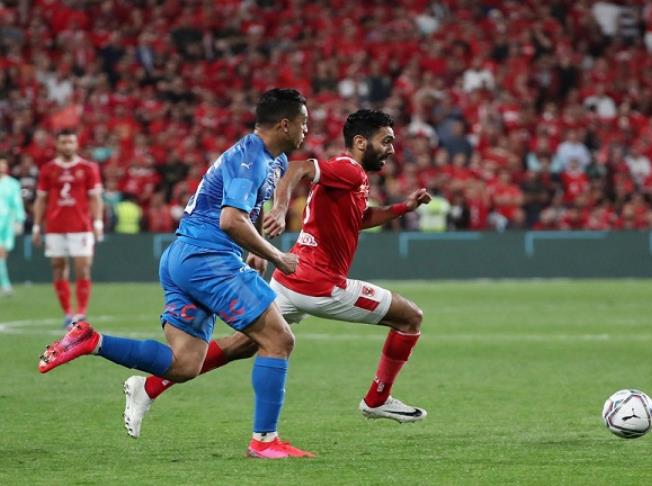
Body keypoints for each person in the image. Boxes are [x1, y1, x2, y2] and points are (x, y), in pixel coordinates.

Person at [38, 88, 315, 460]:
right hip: (209, 258)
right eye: (303, 122)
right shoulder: (249, 158)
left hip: (184, 257)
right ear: (284, 124)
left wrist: (256, 247)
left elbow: (250, 208)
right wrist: (277, 256)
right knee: (279, 339)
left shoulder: (273, 159)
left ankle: (92, 340)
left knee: (185, 364)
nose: (306, 129)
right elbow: (230, 220)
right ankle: (264, 441)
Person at [122, 109, 432, 439]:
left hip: (291, 279)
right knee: (410, 317)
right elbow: (298, 168)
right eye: (386, 141)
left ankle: (149, 387)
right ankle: (377, 400)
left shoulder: (351, 177)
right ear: (360, 142)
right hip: (319, 283)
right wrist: (281, 208)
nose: (391, 149)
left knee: (243, 345)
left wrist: (404, 207)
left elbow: (361, 218)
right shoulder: (348, 168)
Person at [32, 129, 104, 327]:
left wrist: (98, 222)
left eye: (71, 142)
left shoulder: (88, 168)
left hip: (81, 226)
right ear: (57, 144)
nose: (67, 146)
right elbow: (41, 199)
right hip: (55, 226)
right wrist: (36, 226)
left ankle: (81, 313)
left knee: (83, 267)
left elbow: (95, 198)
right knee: (58, 267)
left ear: (76, 144)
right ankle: (67, 312)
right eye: (63, 142)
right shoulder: (48, 169)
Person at [0, 156, 26, 295]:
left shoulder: (13, 184)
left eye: (3, 164)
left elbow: (17, 203)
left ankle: (5, 284)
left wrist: (19, 220)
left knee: (3, 253)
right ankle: (5, 284)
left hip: (7, 223)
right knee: (1, 253)